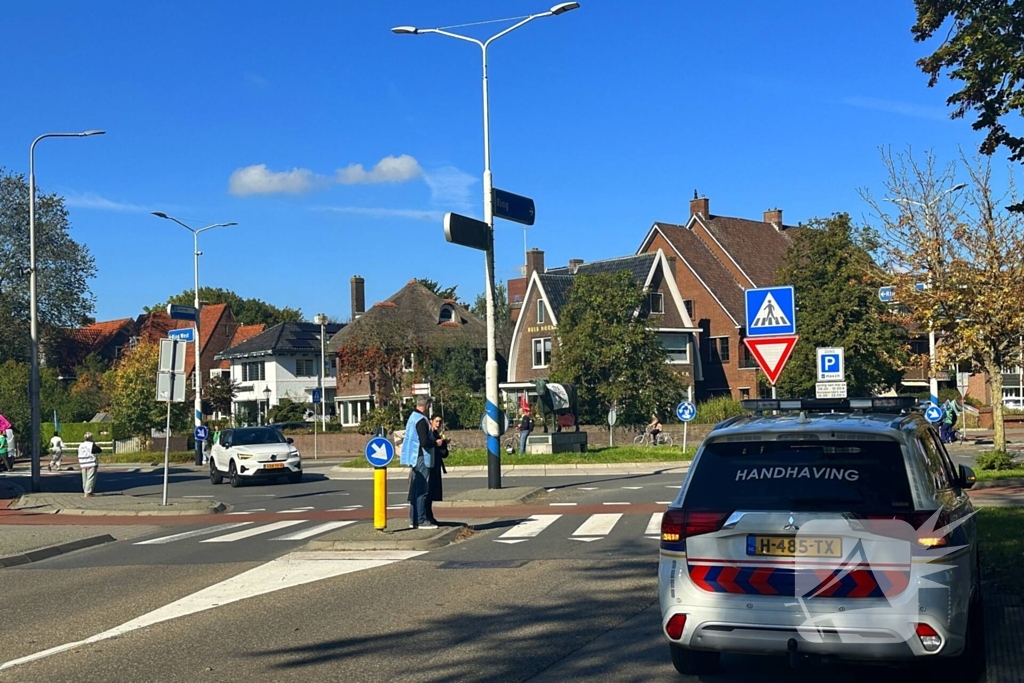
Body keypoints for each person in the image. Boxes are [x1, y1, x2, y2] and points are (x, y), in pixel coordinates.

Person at [399, 395, 436, 530]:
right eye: (429, 406)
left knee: (415, 489)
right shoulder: (421, 420)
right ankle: (421, 520)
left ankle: (413, 519)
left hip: (413, 456)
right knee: (422, 489)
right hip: (421, 457)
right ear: (426, 406)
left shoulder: (412, 417)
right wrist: (436, 442)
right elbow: (424, 441)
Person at [426, 415, 449, 525]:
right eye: (436, 421)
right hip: (430, 466)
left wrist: (444, 444)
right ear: (431, 421)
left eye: (440, 422)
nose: (438, 424)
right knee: (428, 492)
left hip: (435, 466)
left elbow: (444, 454)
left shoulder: (436, 434)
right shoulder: (429, 434)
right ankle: (427, 516)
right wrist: (438, 444)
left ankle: (430, 516)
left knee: (432, 492)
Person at [78, 432, 102, 498]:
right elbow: (99, 450)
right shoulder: (91, 445)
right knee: (91, 478)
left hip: (83, 463)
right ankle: (88, 492)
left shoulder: (81, 445)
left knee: (85, 479)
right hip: (91, 462)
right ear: (91, 438)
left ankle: (85, 490)